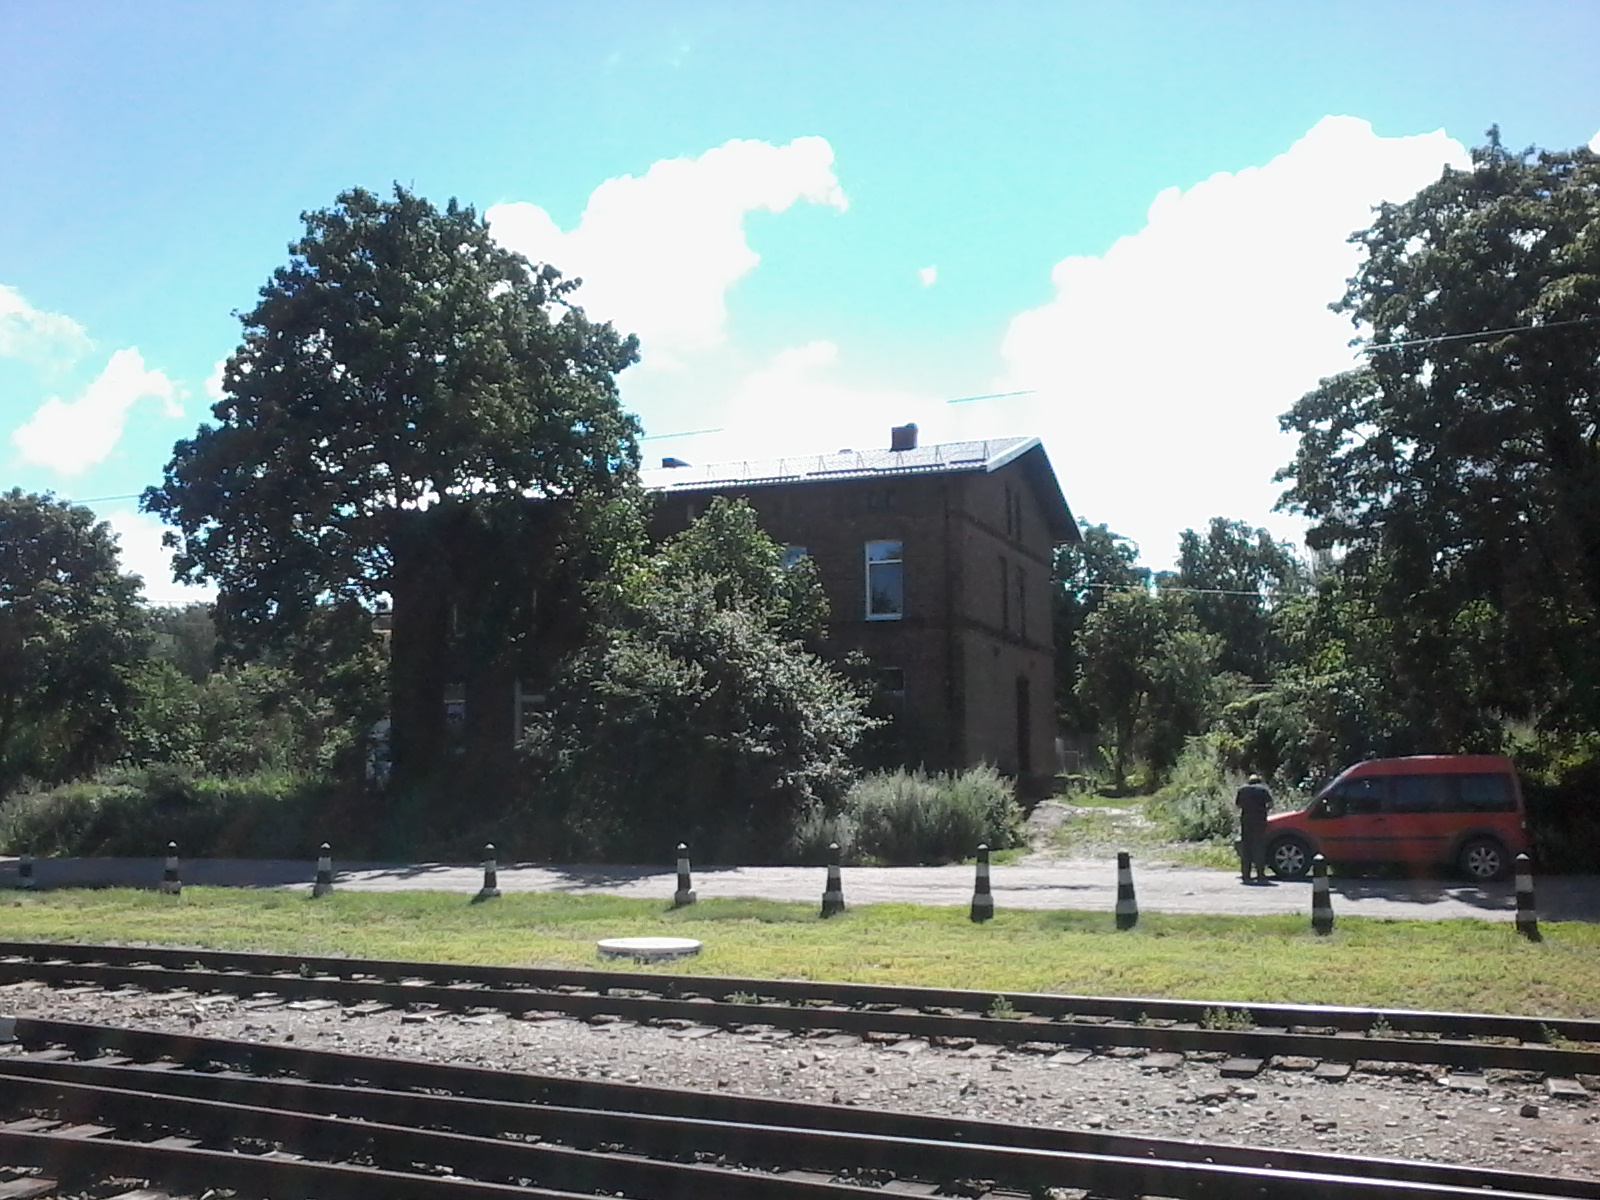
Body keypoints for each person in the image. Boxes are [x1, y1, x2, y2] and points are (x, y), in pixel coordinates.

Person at [1235, 774, 1273, 883]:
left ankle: (1246, 874)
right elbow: (1270, 804)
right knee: (1259, 847)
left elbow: (1238, 805)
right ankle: (1260, 874)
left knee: (1246, 847)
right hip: (1259, 821)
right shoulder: (1263, 790)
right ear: (1259, 781)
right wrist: (1264, 810)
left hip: (1246, 821)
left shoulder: (1242, 790)